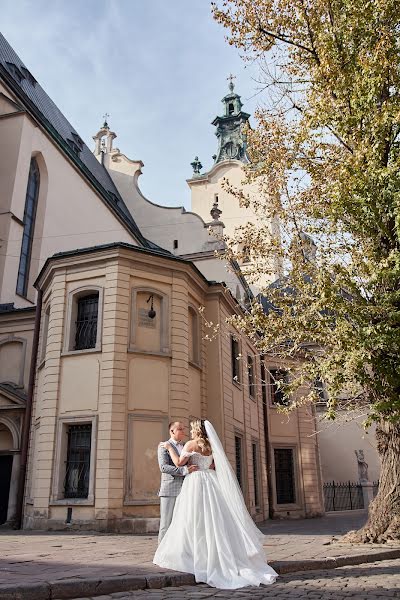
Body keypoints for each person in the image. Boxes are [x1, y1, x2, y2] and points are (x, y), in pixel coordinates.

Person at [153, 419, 278, 589]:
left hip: (195, 482)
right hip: (211, 481)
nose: (187, 430)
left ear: (196, 430)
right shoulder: (211, 446)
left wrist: (169, 448)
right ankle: (217, 553)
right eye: (182, 429)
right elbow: (213, 465)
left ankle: (193, 554)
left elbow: (178, 463)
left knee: (191, 519)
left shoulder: (190, 444)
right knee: (213, 518)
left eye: (189, 428)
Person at [157, 421, 199, 544]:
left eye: (183, 429)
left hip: (186, 488)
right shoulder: (163, 446)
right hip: (169, 489)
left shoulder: (187, 445)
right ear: (172, 431)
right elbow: (163, 467)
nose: (183, 432)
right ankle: (161, 552)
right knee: (166, 523)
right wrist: (185, 470)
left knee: (182, 522)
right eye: (180, 429)